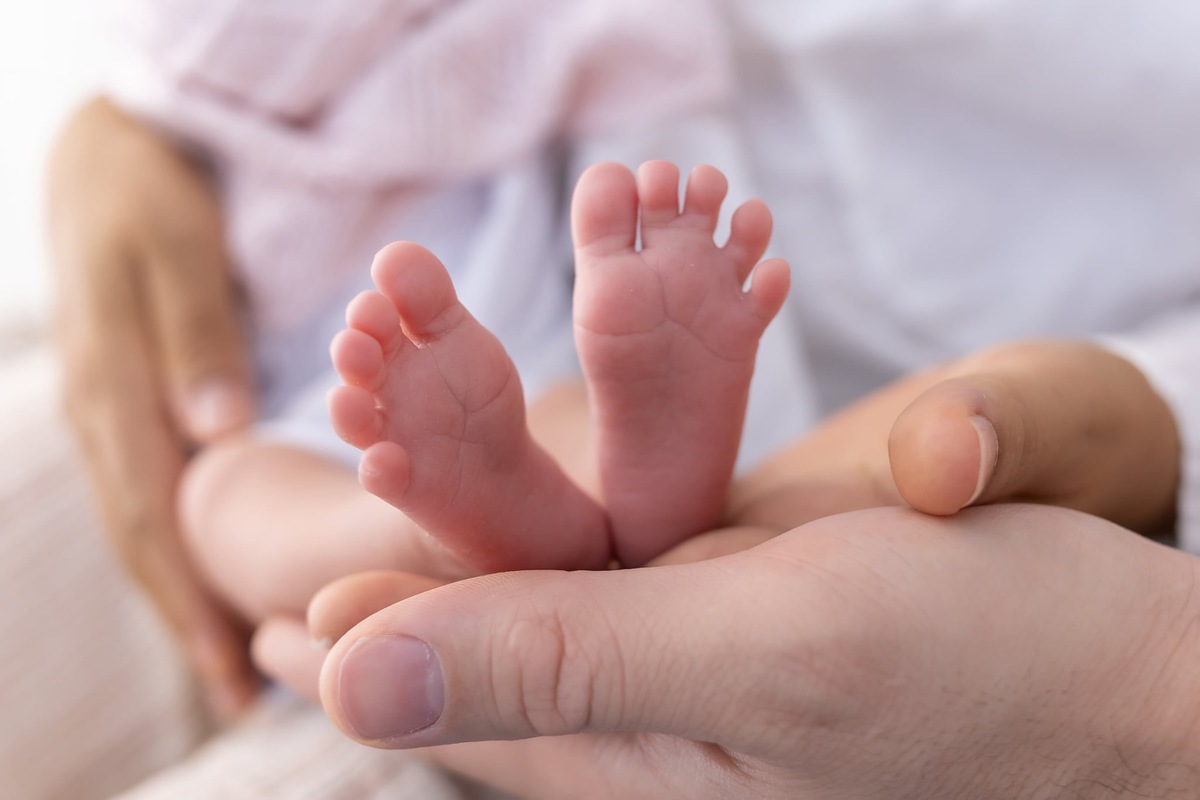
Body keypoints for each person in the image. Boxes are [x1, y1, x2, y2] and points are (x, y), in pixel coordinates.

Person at [48, 1, 1200, 799]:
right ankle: (546, 482)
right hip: (367, 303)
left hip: (390, 335)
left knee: (239, 497)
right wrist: (114, 126)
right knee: (229, 488)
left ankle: (506, 493)